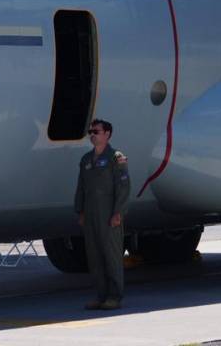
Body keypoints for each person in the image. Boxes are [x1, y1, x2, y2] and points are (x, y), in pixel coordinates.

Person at [74, 118, 130, 310]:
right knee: (95, 257)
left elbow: (123, 187)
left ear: (107, 134)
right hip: (91, 215)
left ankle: (115, 296)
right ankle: (101, 295)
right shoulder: (86, 160)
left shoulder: (116, 158)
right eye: (90, 132)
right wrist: (80, 210)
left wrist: (118, 212)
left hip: (109, 214)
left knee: (112, 256)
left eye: (96, 131)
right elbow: (81, 187)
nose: (92, 135)